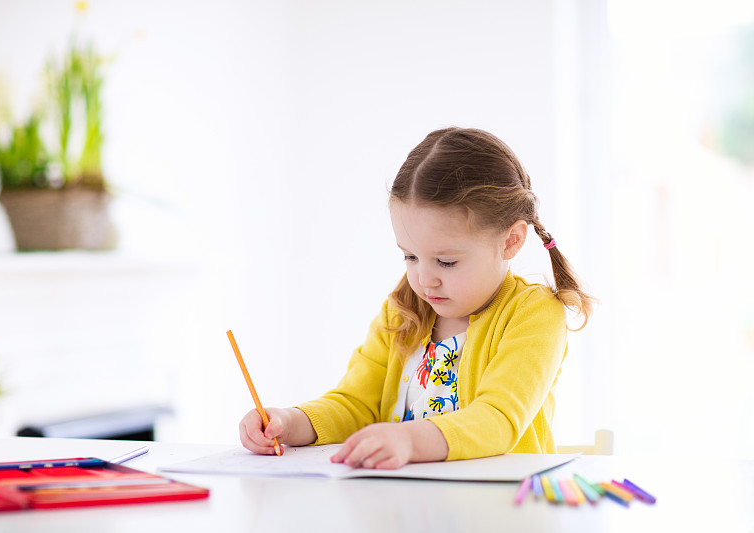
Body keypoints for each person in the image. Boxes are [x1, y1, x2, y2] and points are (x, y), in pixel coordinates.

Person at [239, 127, 594, 469]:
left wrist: (408, 439)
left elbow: (497, 418)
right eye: (409, 256)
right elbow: (357, 404)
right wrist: (291, 422)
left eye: (446, 261)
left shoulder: (534, 314)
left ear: (511, 241)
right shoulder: (403, 310)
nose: (424, 280)